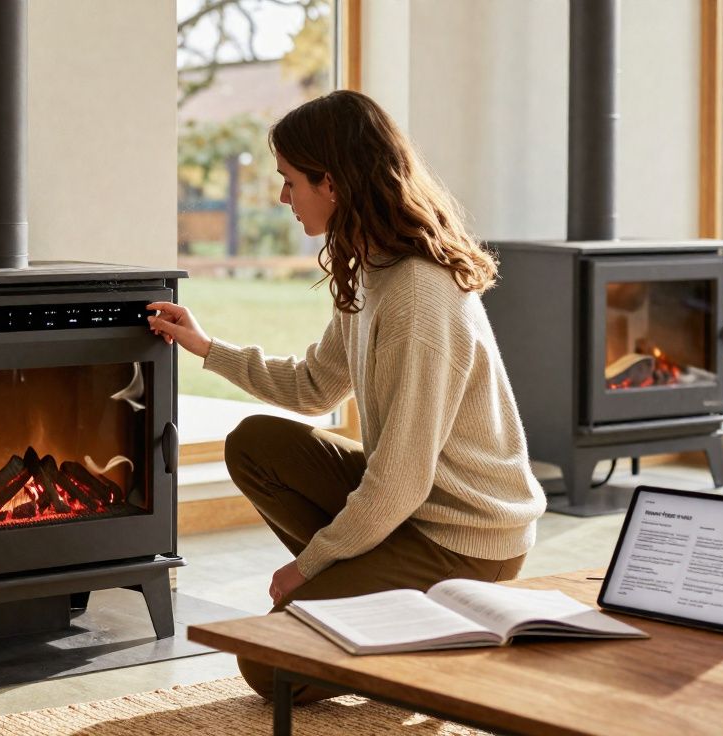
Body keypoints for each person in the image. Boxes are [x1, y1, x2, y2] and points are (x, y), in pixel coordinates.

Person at [147, 90, 547, 703]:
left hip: (464, 539)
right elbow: (313, 388)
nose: (283, 197)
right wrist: (205, 346)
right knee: (256, 444)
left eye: (288, 181)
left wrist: (309, 566)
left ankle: (439, 619)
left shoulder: (418, 294)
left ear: (329, 183)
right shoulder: (374, 267)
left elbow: (399, 481)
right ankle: (374, 596)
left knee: (269, 670)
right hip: (414, 509)